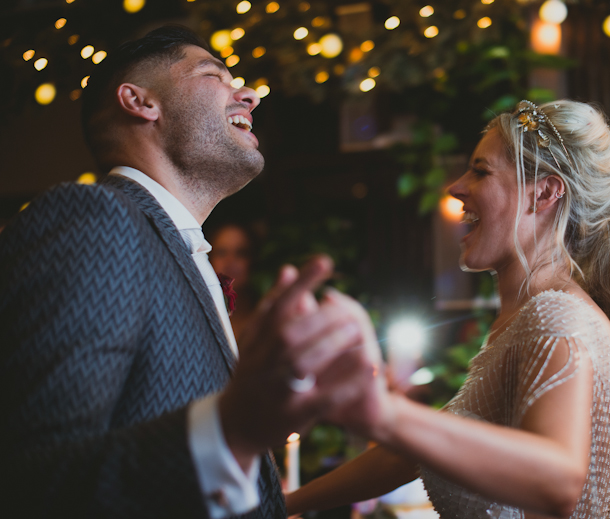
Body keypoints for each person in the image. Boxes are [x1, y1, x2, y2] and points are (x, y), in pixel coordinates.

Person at [0, 26, 381, 519]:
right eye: (214, 75)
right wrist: (232, 429)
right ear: (139, 102)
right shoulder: (95, 217)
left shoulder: (179, 250)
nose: (249, 94)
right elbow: (34, 483)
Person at [286, 100, 610, 519]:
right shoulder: (526, 318)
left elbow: (559, 482)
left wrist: (383, 412)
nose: (455, 187)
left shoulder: (557, 319)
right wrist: (282, 505)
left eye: (481, 171)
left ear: (543, 192)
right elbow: (407, 456)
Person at [207, 222, 261, 342]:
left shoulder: (266, 316)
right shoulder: (198, 315)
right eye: (221, 252)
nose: (230, 262)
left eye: (240, 253)